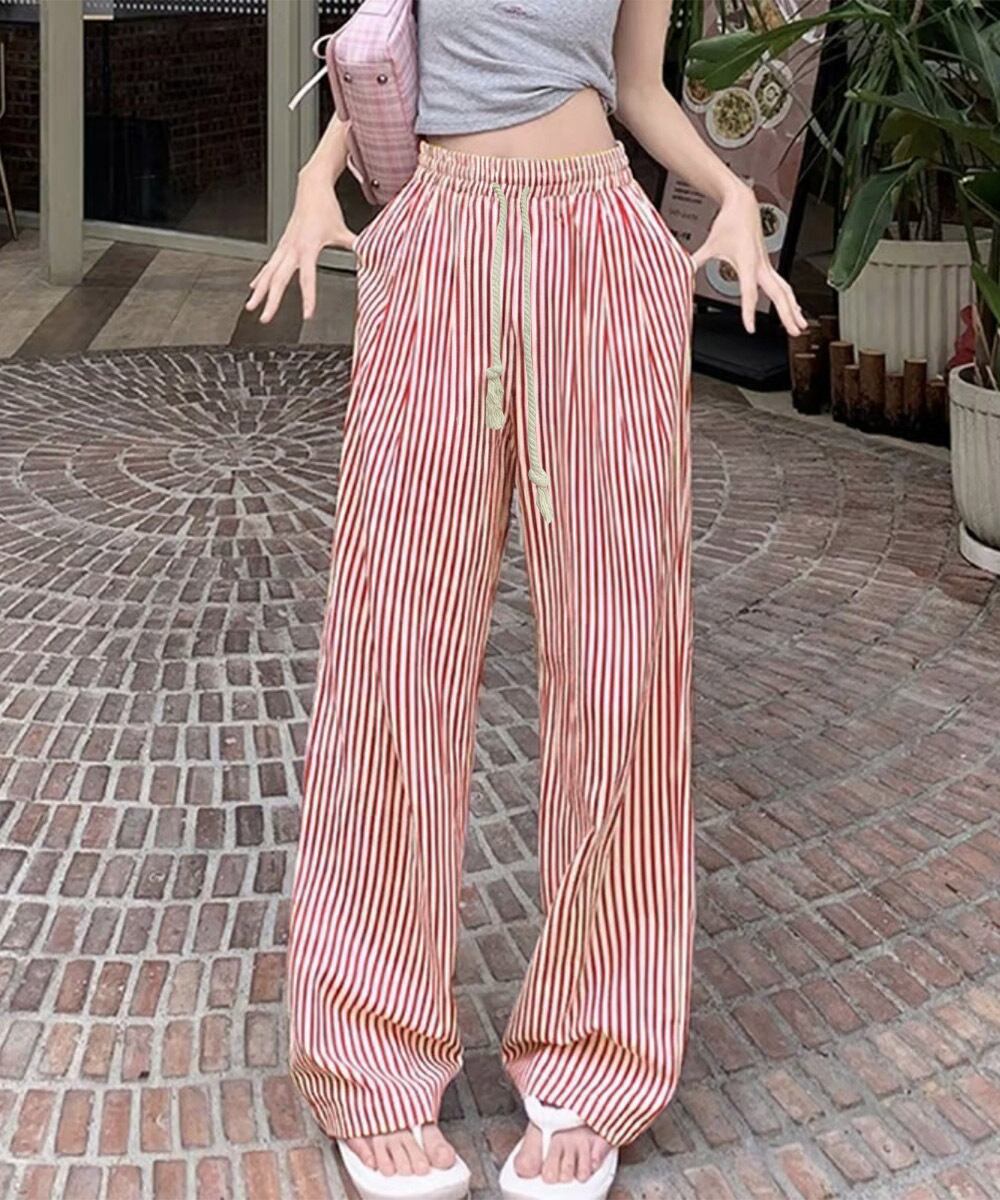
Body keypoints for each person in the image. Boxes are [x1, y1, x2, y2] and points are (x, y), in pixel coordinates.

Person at [247, 2, 808, 1197]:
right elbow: (379, 38)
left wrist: (732, 193)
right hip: (439, 243)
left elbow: (637, 87)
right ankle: (370, 1050)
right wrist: (312, 182)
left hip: (599, 247)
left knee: (619, 659)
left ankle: (593, 1050)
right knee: (395, 652)